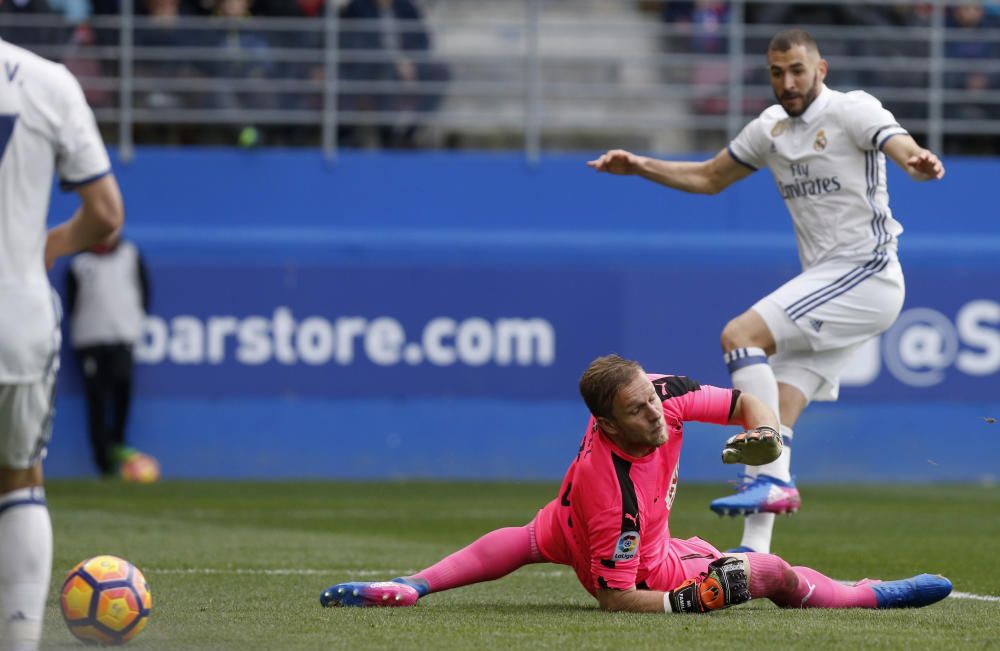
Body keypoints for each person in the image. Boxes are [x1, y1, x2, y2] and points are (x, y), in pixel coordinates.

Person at [587, 28, 945, 555]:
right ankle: (756, 552)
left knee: (740, 334)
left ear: (820, 69)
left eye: (797, 70)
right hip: (832, 284)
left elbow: (895, 141)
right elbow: (710, 177)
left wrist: (915, 158)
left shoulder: (851, 110)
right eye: (777, 72)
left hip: (866, 271)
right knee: (776, 403)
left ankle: (773, 482)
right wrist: (640, 165)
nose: (788, 81)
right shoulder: (770, 128)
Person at [319, 355, 951, 613]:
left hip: (565, 521)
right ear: (605, 423)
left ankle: (408, 585)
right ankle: (869, 598)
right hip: (635, 563)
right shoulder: (611, 490)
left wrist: (764, 436)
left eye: (652, 399)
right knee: (766, 575)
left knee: (524, 538)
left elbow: (747, 401)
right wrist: (688, 600)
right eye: (638, 412)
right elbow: (615, 598)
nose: (656, 416)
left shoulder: (664, 396)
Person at [0, 29, 124, 651]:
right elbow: (105, 213)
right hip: (16, 316)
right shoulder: (49, 83)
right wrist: (42, 248)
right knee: (19, 481)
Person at [65, 235, 153, 480]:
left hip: (122, 336)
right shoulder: (80, 263)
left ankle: (119, 445)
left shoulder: (130, 255)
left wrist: (133, 324)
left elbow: (145, 292)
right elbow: (72, 304)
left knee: (122, 386)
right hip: (89, 341)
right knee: (96, 400)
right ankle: (103, 460)